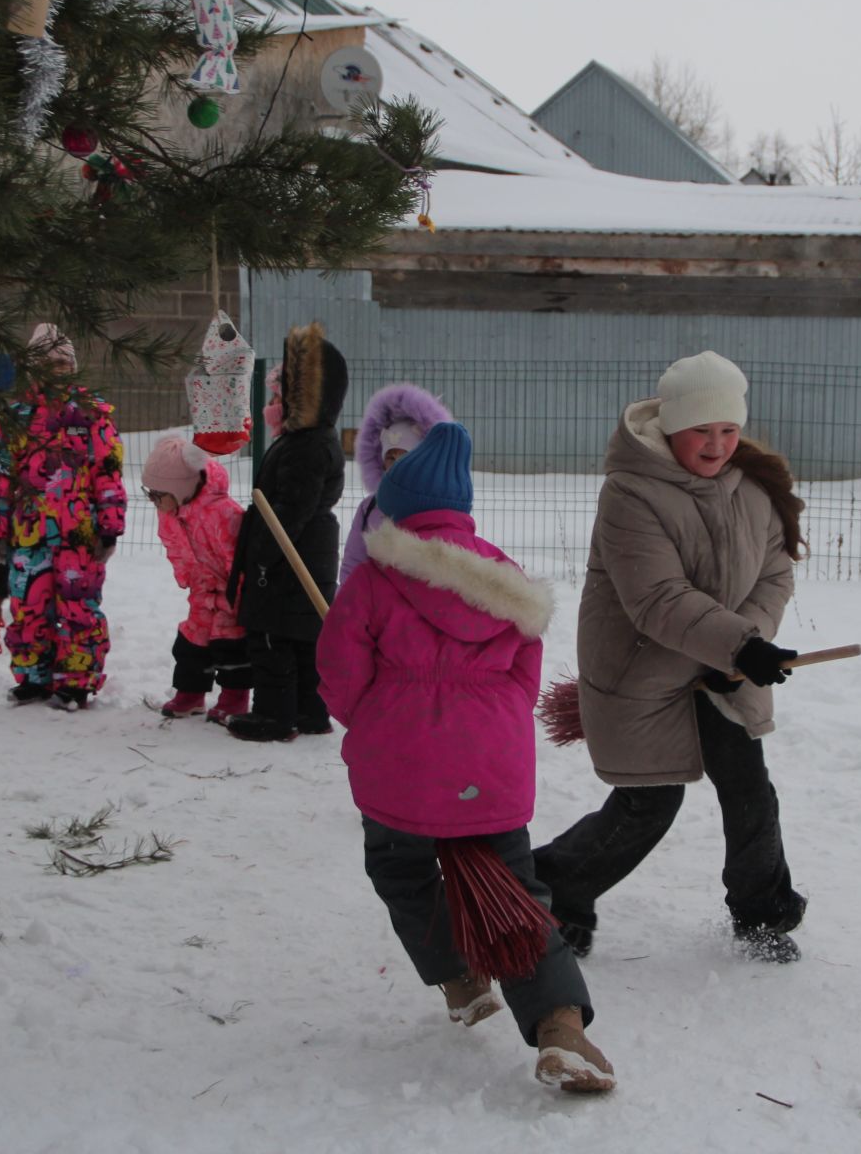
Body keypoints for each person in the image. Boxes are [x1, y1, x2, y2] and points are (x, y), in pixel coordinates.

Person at [318, 421, 614, 1093]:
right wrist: (494, 723)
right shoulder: (507, 580)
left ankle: (460, 979)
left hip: (399, 771)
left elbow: (338, 672)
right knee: (515, 893)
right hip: (493, 769)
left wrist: (369, 719)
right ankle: (562, 1028)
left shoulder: (374, 579)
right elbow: (525, 673)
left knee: (402, 871)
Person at [533, 351, 809, 963]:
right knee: (649, 803)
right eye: (701, 432)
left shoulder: (753, 491)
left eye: (729, 430)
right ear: (670, 428)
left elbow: (774, 576)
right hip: (644, 669)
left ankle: (762, 913)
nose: (716, 446)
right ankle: (553, 885)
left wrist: (747, 648)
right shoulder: (631, 492)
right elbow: (655, 598)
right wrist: (740, 643)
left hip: (722, 669)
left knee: (749, 791)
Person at [0, 323, 126, 711]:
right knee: (28, 605)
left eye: (64, 363)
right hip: (28, 532)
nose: (57, 370)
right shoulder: (16, 417)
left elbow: (107, 471)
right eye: (48, 363)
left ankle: (77, 680)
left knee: (79, 606)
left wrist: (109, 527)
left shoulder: (92, 413)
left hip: (80, 532)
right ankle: (34, 676)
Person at [222, 321, 346, 742]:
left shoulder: (308, 445)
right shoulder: (305, 439)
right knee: (302, 641)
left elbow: (290, 509)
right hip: (305, 555)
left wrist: (261, 558)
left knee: (273, 640)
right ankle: (310, 713)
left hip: (288, 562)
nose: (274, 401)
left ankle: (275, 715)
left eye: (281, 393)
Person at [144, 435, 251, 724]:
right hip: (202, 589)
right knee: (191, 642)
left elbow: (237, 557)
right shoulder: (173, 514)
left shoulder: (223, 513)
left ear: (182, 489)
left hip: (231, 592)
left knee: (231, 644)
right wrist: (189, 578)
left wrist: (236, 593)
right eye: (149, 493)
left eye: (158, 494)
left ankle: (234, 696)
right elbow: (175, 547)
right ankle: (190, 693)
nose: (154, 501)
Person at [338, 383, 452, 588]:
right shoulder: (370, 508)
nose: (397, 465)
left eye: (405, 457)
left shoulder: (433, 509)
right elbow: (353, 563)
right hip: (373, 609)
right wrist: (348, 604)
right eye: (391, 457)